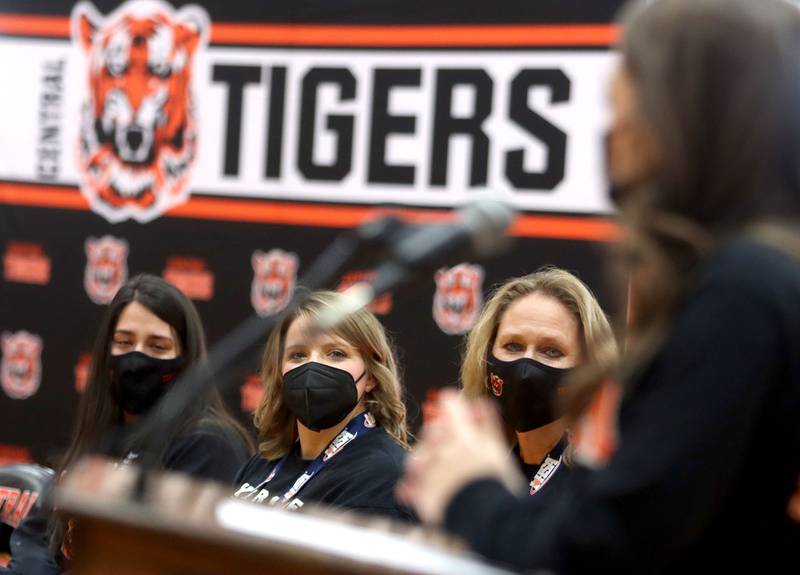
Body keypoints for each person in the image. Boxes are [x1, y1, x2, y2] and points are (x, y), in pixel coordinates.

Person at [398, 0, 800, 572]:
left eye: (627, 89)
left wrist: (469, 488)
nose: (612, 127)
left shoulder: (740, 293)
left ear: (684, 114)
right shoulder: (757, 276)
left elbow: (600, 549)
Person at [3, 274, 253, 574]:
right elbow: (37, 536)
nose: (137, 357)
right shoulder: (103, 438)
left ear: (184, 358)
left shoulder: (208, 445)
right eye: (124, 342)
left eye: (157, 346)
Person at [233, 290, 413, 520]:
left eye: (336, 354)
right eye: (298, 355)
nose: (313, 366)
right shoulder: (264, 463)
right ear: (279, 372)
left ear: (371, 377)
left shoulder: (382, 476)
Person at [459, 267, 617, 500]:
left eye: (551, 350)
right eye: (513, 346)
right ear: (486, 357)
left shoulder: (601, 476)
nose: (526, 367)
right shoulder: (472, 466)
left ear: (588, 369)